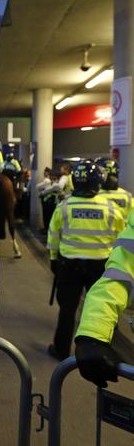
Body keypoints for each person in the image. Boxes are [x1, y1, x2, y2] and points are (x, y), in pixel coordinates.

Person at [46, 160, 125, 360]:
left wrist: (54, 260)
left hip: (69, 265)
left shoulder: (63, 207)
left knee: (67, 309)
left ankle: (61, 349)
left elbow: (53, 236)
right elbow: (120, 239)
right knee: (102, 309)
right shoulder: (111, 208)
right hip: (101, 265)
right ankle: (104, 350)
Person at [74, 210, 134, 388]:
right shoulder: (111, 207)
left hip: (72, 261)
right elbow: (120, 277)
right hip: (98, 256)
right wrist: (93, 334)